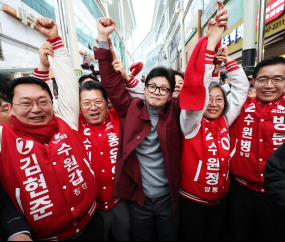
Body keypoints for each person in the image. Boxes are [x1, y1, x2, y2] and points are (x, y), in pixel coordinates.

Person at [94, 8, 228, 239]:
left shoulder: (178, 112)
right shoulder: (130, 108)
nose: (156, 93)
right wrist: (103, 40)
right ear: (143, 89)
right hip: (139, 198)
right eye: (152, 87)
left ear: (171, 94)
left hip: (169, 197)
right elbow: (110, 83)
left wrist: (210, 42)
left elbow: (197, 91)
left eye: (163, 89)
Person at [34, 28, 144, 241]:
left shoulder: (119, 119)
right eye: (86, 103)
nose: (93, 108)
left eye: (98, 102)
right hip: (91, 210)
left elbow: (123, 93)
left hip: (121, 203)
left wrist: (115, 63)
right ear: (79, 106)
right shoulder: (70, 125)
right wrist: (45, 67)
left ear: (106, 103)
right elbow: (44, 102)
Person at [0, 17, 103, 241]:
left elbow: (67, 82)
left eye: (43, 102)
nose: (36, 109)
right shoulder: (4, 139)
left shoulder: (65, 121)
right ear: (10, 108)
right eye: (25, 103)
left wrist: (56, 40)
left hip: (93, 223)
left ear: (52, 103)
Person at [179, 18, 248, 240]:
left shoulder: (224, 122)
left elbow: (242, 89)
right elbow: (198, 89)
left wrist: (228, 62)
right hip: (193, 202)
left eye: (219, 99)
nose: (213, 103)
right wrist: (210, 44)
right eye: (209, 98)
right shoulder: (191, 124)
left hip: (220, 200)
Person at [229, 56, 285, 240]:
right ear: (254, 82)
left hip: (277, 196)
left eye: (277, 79)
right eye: (262, 79)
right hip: (240, 192)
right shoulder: (240, 107)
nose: (269, 85)